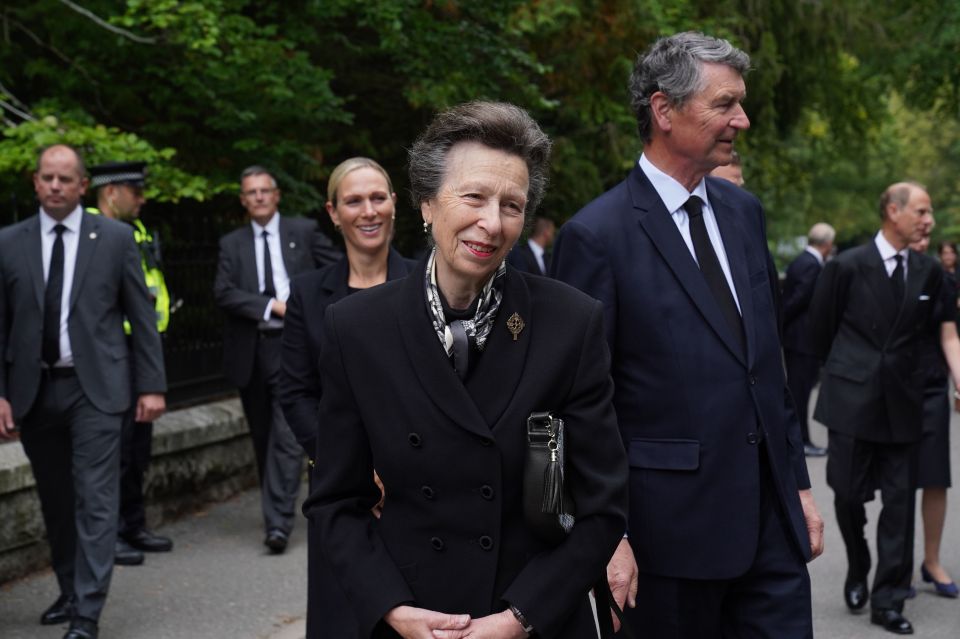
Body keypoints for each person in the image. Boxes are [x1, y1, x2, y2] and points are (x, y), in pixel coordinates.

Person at [304, 100, 628, 638]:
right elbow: (337, 501)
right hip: (412, 619)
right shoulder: (357, 328)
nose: (492, 223)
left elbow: (600, 506)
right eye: (474, 197)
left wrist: (519, 618)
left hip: (533, 616)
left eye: (512, 205)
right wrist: (393, 608)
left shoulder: (570, 323)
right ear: (427, 203)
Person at [551, 32, 823, 637]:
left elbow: (765, 365)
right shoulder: (596, 235)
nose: (742, 120)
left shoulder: (743, 213)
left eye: (741, 103)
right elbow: (580, 401)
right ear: (663, 110)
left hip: (769, 528)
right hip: (664, 542)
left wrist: (798, 487)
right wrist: (609, 535)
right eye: (725, 104)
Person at [0, 144, 166, 639]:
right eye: (47, 177)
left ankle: (86, 613)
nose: (55, 186)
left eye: (64, 179)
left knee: (95, 499)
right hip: (34, 391)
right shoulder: (9, 242)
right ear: (35, 183)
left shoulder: (114, 238)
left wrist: (151, 385)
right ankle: (70, 590)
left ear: (81, 185)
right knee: (56, 499)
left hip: (97, 390)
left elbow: (141, 314)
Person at [809, 182, 960, 633]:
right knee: (849, 494)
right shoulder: (848, 266)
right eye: (921, 210)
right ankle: (858, 565)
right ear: (893, 212)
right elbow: (820, 331)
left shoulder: (931, 272)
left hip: (905, 402)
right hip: (852, 402)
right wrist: (848, 372)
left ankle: (888, 599)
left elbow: (940, 334)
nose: (928, 219)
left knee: (899, 504)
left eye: (930, 211)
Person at [279, 157, 415, 638]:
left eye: (378, 197)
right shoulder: (308, 293)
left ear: (395, 204)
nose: (368, 210)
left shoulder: (427, 284)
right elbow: (294, 390)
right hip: (340, 487)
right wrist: (349, 469)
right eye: (353, 201)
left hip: (416, 487)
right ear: (333, 213)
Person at [213, 166, 338, 554]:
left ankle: (277, 524)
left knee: (287, 436)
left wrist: (305, 308)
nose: (259, 198)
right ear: (243, 200)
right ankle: (277, 508)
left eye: (265, 191)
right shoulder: (231, 244)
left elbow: (337, 266)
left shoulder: (301, 232)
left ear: (277, 194)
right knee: (264, 435)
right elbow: (224, 292)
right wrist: (271, 306)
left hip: (294, 347)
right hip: (253, 349)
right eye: (251, 193)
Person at [86, 161, 173, 567]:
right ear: (111, 192)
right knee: (114, 449)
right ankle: (114, 530)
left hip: (141, 346)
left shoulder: (133, 231)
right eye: (135, 192)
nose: (142, 199)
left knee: (138, 446)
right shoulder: (90, 231)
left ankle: (133, 523)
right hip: (107, 352)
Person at [910, 228, 959, 599]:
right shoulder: (876, 271)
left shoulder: (940, 278)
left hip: (929, 387)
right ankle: (894, 567)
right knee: (896, 482)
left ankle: (932, 560)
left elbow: (949, 336)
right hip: (888, 391)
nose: (922, 242)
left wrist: (959, 379)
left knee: (935, 477)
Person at [782, 223, 836, 457]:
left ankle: (801, 440)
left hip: (797, 338)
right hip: (802, 339)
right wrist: (781, 322)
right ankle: (801, 441)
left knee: (799, 393)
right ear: (827, 244)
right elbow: (799, 299)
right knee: (800, 394)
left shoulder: (801, 260)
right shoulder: (811, 265)